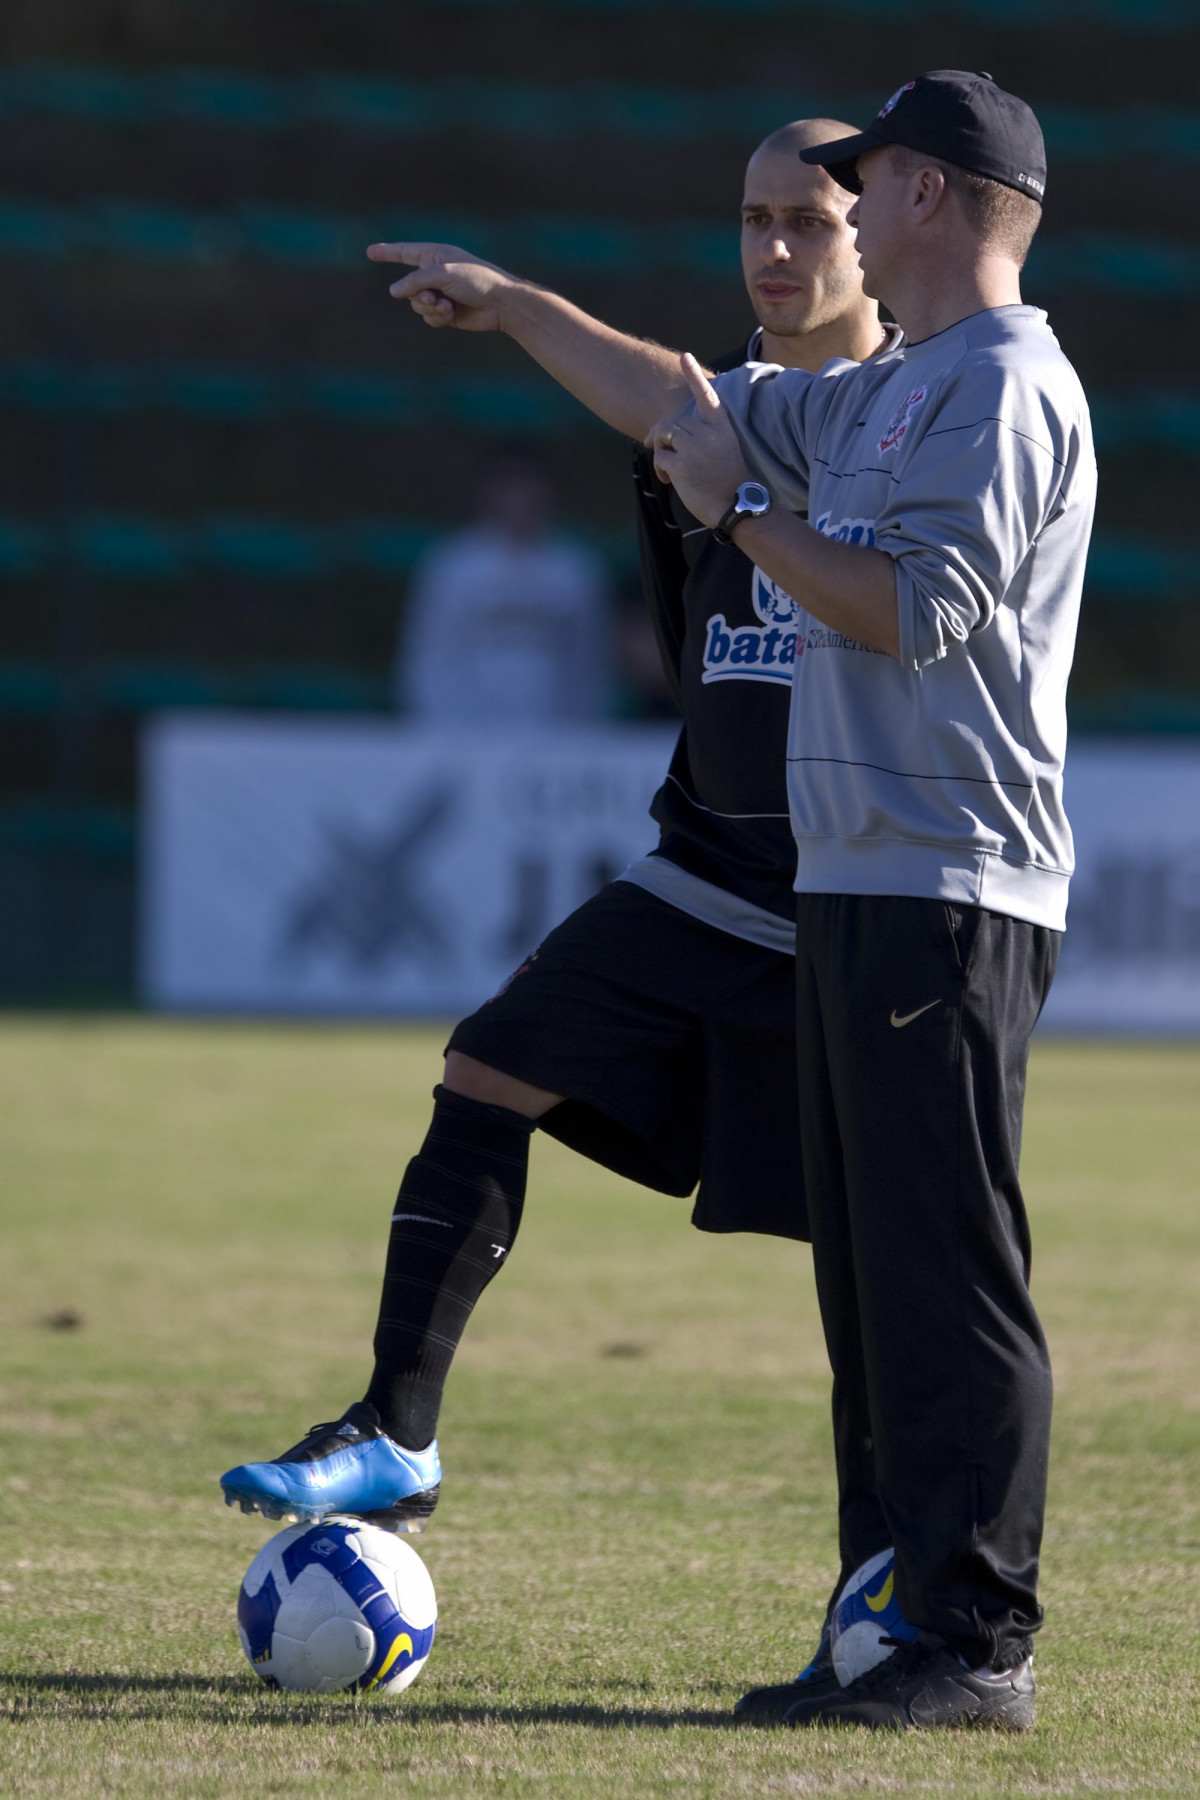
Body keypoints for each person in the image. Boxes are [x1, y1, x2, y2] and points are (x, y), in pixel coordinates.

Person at [348, 69, 1095, 1732]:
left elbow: (913, 614)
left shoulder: (1000, 385)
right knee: (872, 1283)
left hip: (946, 885)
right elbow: (692, 405)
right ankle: (893, 1625)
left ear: (929, 199)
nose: (832, 203)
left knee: (944, 1271)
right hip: (859, 880)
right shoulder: (899, 387)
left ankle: (975, 1645)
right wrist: (514, 306)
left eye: (866, 174)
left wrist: (740, 518)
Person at [220, 120, 896, 1713]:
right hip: (705, 867)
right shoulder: (707, 416)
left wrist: (523, 307)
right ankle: (395, 1428)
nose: (776, 249)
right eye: (753, 219)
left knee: (875, 1279)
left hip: (869, 909)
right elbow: (672, 402)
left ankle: (888, 1596)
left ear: (887, 239)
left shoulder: (926, 409)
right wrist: (511, 303)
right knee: (490, 1065)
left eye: (809, 220)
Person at [398, 445, 614, 723]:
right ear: (488, 492)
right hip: (463, 736)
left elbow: (589, 663)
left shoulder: (576, 568)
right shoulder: (452, 564)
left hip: (554, 735)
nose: (519, 499)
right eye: (509, 485)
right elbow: (428, 655)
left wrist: (581, 733)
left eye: (529, 486)